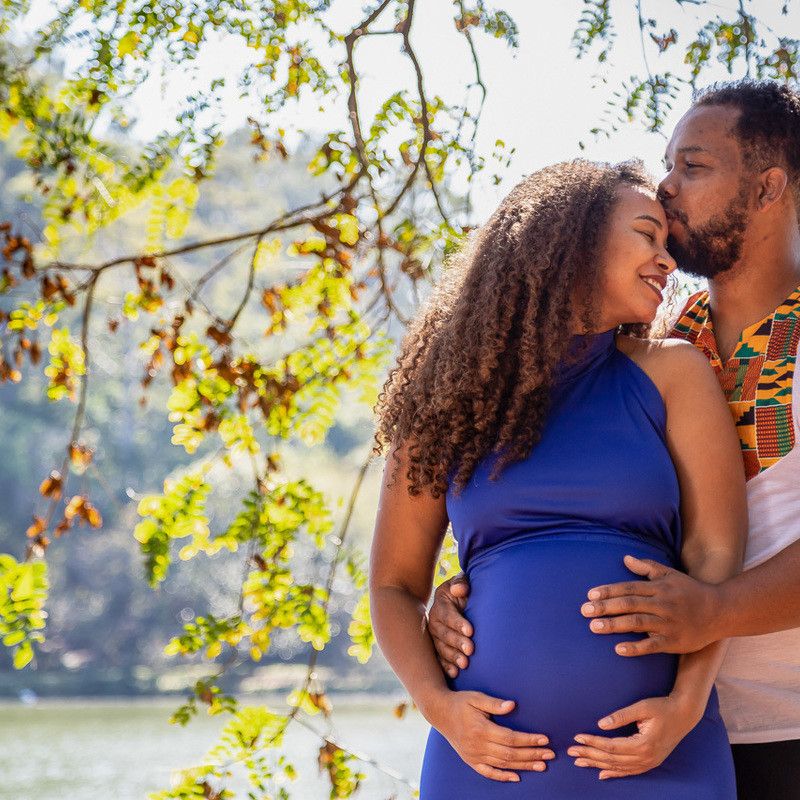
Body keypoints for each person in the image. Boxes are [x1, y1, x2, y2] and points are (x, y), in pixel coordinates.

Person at [428, 79, 800, 800]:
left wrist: (716, 610)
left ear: (768, 187)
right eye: (668, 165)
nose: (665, 186)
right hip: (680, 733)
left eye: (692, 166)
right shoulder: (658, 347)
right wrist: (457, 600)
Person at [369, 158, 746, 798]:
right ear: (573, 241)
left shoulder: (673, 372)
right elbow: (393, 584)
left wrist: (685, 705)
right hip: (487, 764)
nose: (667, 260)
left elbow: (715, 555)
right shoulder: (449, 389)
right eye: (646, 235)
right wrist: (442, 709)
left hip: (659, 756)